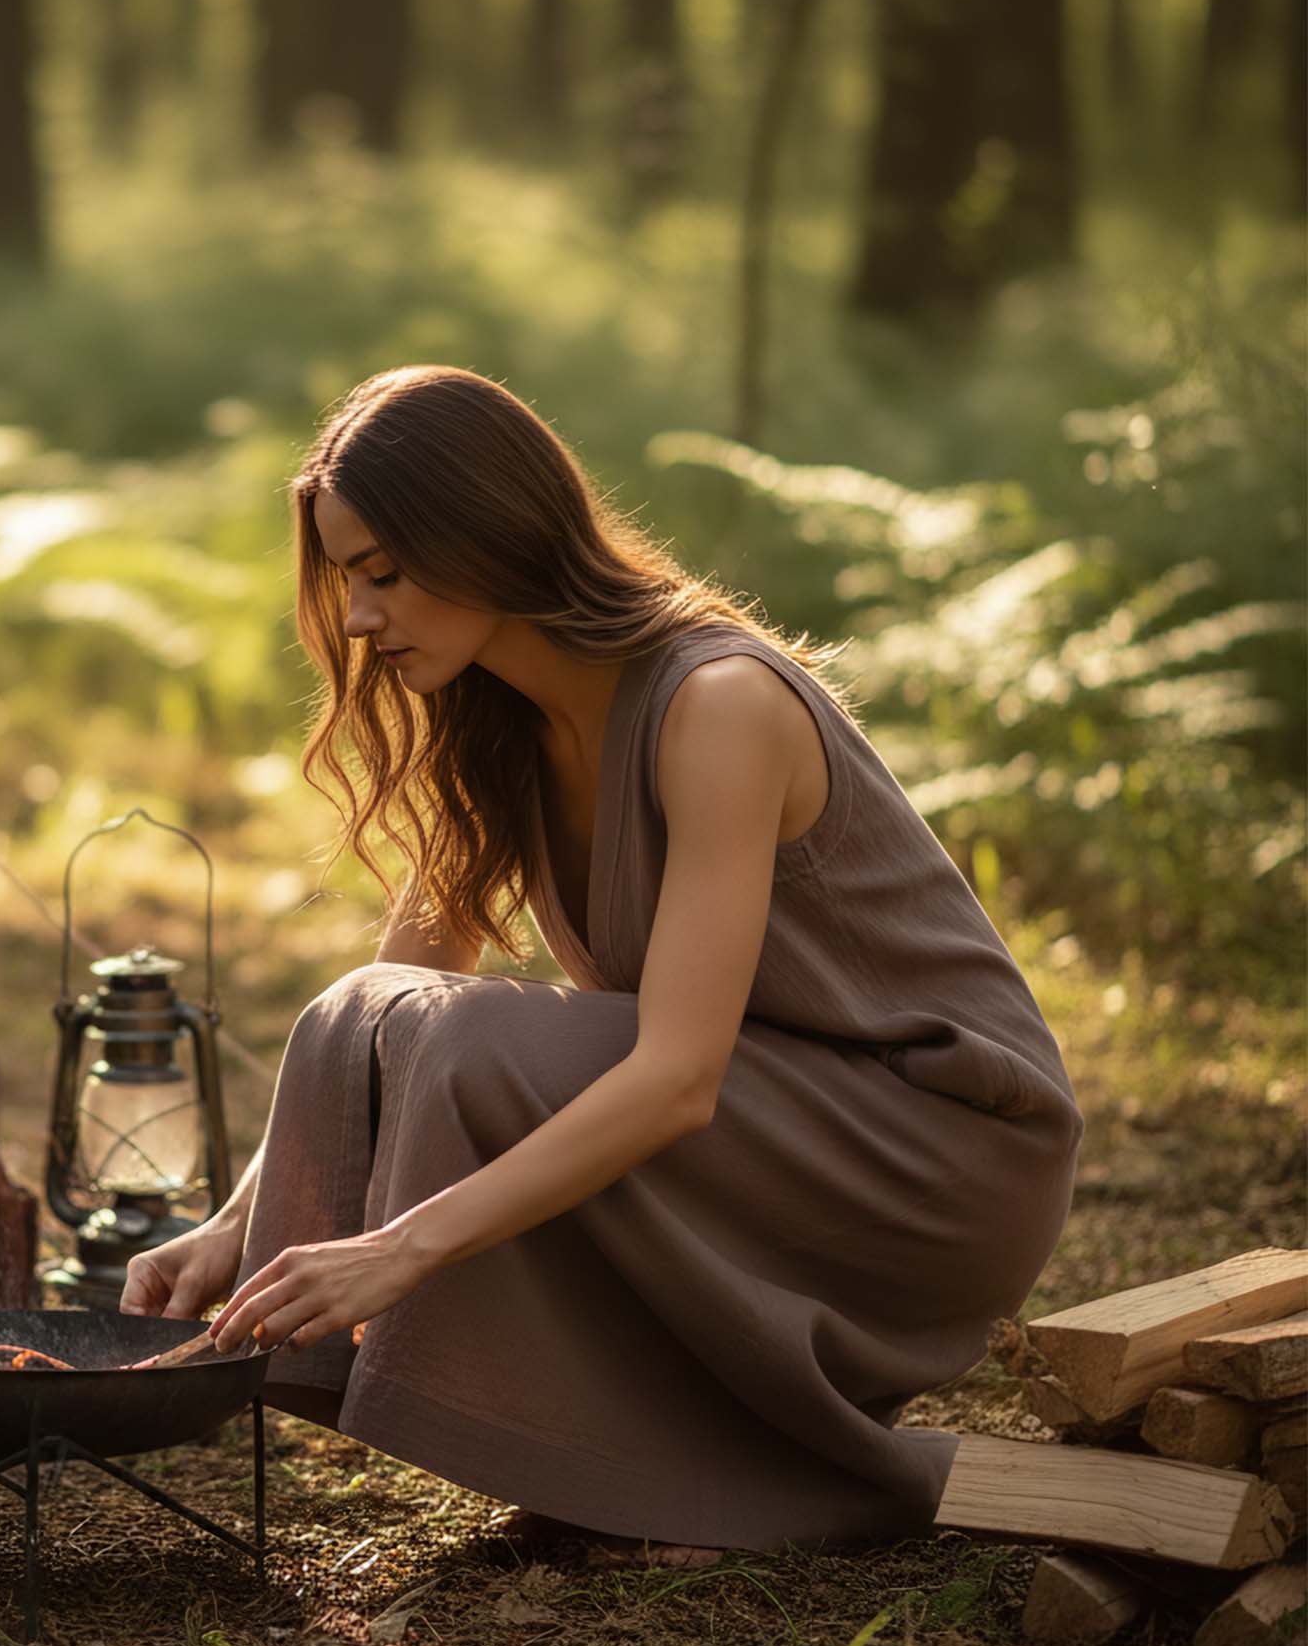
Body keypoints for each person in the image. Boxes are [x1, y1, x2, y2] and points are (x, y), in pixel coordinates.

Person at [121, 366, 1082, 1567]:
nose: (360, 619)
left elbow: (677, 1077)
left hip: (930, 1158)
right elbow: (381, 1001)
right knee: (375, 1010)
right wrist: (238, 1223)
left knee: (470, 1043)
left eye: (382, 572)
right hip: (769, 1120)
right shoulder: (502, 726)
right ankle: (660, 1473)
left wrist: (399, 1247)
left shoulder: (717, 705)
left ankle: (749, 1475)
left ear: (487, 532)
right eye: (344, 579)